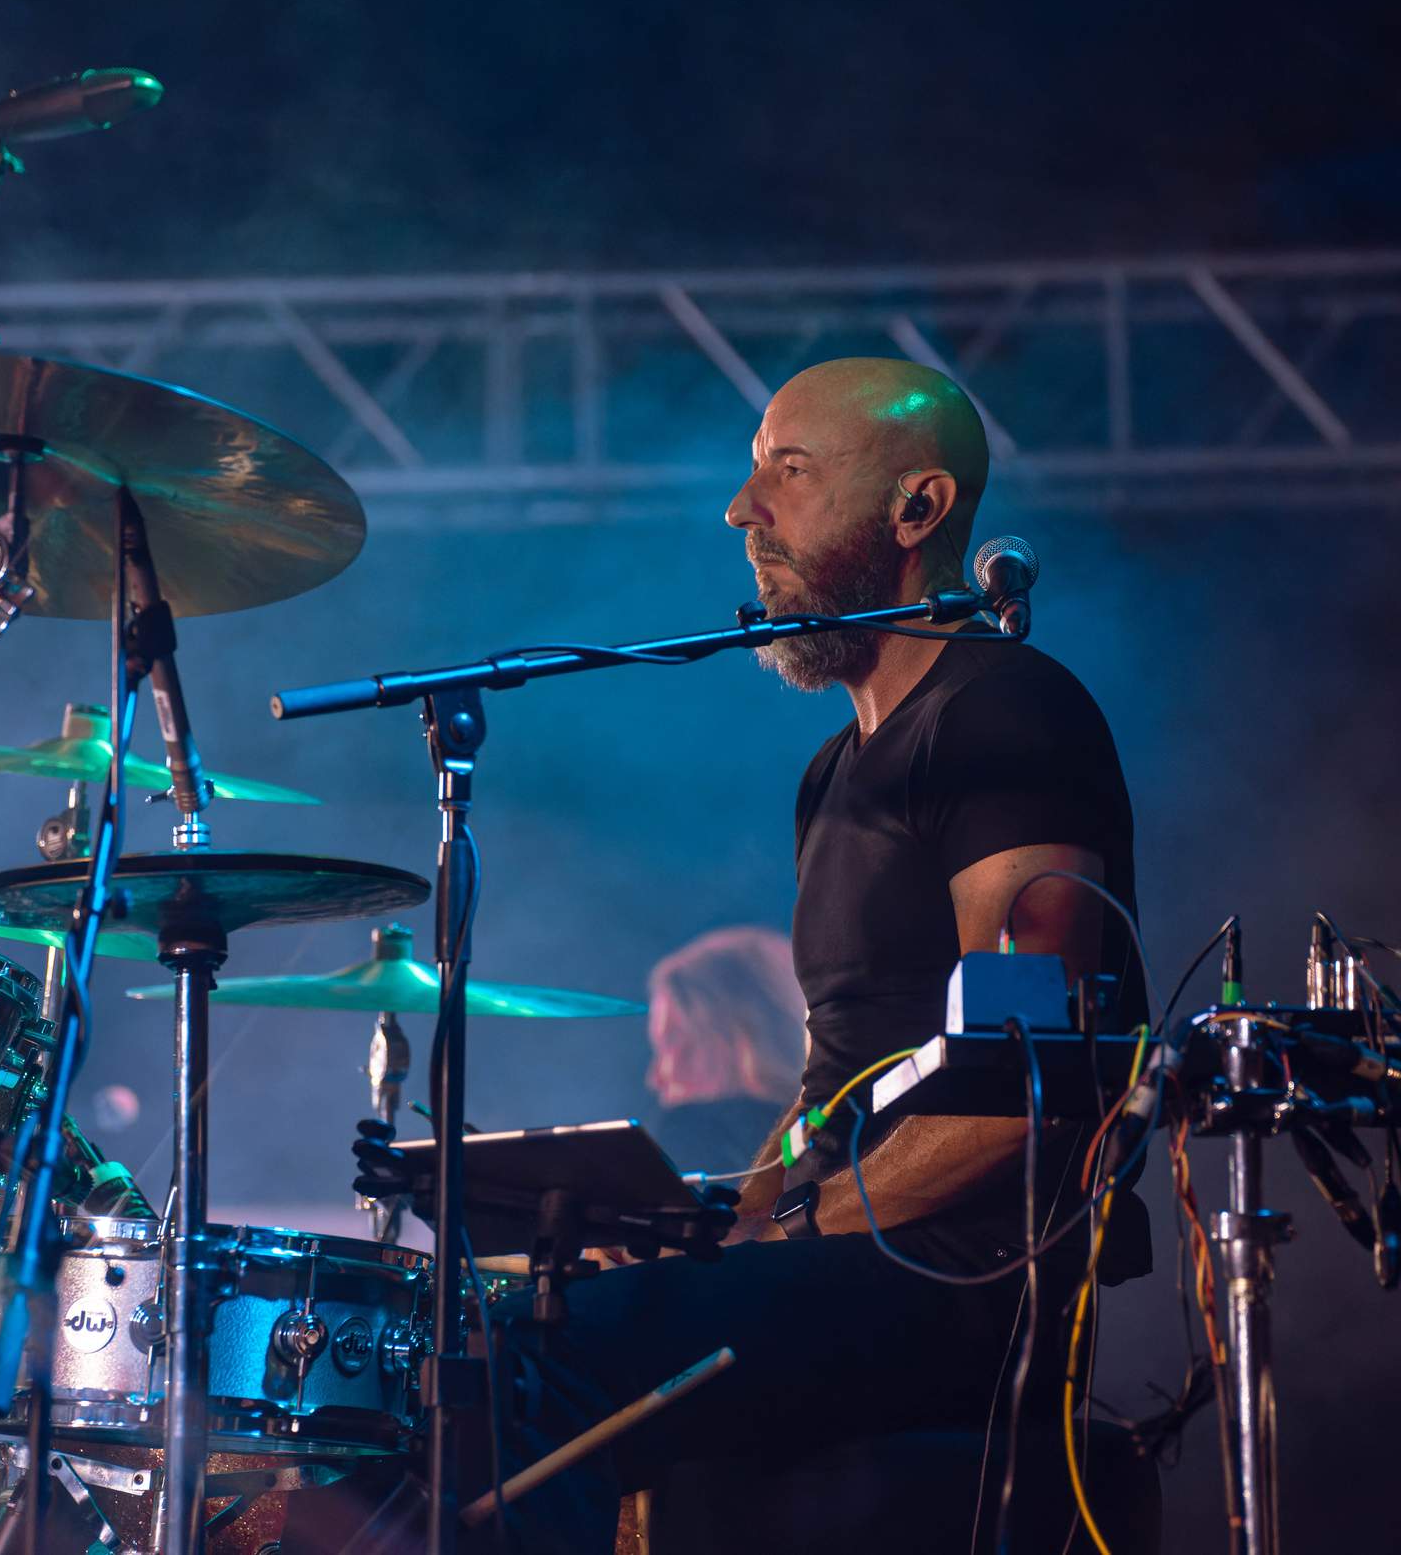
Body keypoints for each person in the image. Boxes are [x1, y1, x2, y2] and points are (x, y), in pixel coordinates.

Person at [482, 357, 1147, 1554]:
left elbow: (1030, 1082)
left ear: (916, 510)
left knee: (548, 1348)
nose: (742, 511)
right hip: (855, 1254)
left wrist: (799, 1227)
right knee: (507, 1313)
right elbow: (829, 1082)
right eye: (750, 475)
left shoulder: (1002, 716)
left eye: (788, 472)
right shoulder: (832, 774)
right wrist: (719, 1214)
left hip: (961, 1279)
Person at [642, 925, 805, 1179]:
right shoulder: (835, 1134)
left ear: (737, 1039)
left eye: (670, 1044)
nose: (655, 1078)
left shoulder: (696, 1127)